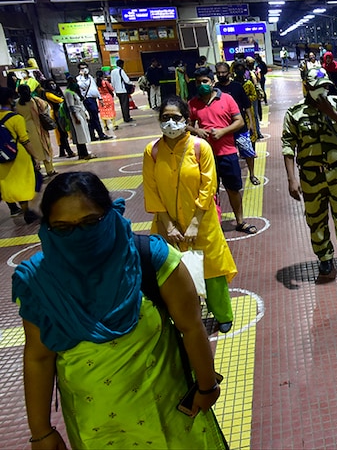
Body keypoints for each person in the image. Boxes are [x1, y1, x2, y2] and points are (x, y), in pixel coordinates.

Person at [12, 172, 227, 449]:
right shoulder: (39, 283)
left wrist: (207, 387)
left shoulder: (151, 260)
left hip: (169, 420)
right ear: (48, 229)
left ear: (109, 214)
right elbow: (39, 358)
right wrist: (40, 431)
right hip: (95, 431)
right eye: (64, 228)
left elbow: (191, 327)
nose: (80, 237)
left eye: (90, 223)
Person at [143, 97, 238, 333]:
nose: (171, 123)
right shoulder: (152, 151)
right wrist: (169, 225)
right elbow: (151, 189)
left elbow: (209, 186)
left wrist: (195, 223)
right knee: (174, 273)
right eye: (165, 118)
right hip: (168, 226)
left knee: (212, 271)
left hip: (203, 222)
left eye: (176, 118)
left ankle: (222, 314)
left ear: (186, 120)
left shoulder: (200, 147)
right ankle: (185, 315)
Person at [282, 67, 337, 293]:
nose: (322, 91)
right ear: (307, 88)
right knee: (316, 221)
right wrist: (291, 179)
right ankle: (325, 257)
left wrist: (330, 111)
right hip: (311, 177)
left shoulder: (336, 103)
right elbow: (288, 146)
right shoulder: (294, 113)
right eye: (317, 88)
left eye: (325, 87)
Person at [187, 67, 256, 234]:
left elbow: (239, 121)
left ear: (212, 82)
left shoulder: (227, 99)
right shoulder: (192, 103)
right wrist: (197, 131)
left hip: (228, 153)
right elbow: (186, 124)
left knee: (233, 188)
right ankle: (214, 223)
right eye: (198, 82)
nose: (202, 85)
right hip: (205, 156)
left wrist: (223, 131)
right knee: (210, 191)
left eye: (205, 81)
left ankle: (240, 221)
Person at [0, 86, 40, 224]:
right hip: (18, 155)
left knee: (9, 183)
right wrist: (35, 157)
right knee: (24, 182)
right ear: (10, 99)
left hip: (2, 156)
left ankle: (15, 208)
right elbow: (25, 140)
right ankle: (28, 212)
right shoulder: (16, 118)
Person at [215, 62, 259, 186]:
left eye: (224, 72)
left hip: (240, 127)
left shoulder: (237, 87)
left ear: (229, 73)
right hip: (223, 129)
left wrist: (250, 122)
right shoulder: (215, 88)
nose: (221, 75)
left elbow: (247, 106)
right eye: (218, 73)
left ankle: (252, 174)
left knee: (248, 152)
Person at [15, 84, 55, 177]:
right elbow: (46, 109)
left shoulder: (16, 103)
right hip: (38, 128)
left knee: (30, 151)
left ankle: (35, 172)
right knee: (45, 149)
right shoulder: (36, 101)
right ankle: (50, 170)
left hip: (24, 129)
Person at [63, 77, 96, 161]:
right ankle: (84, 153)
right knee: (79, 135)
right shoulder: (68, 93)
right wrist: (75, 118)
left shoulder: (74, 92)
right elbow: (71, 106)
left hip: (80, 113)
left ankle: (82, 153)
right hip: (75, 115)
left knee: (82, 134)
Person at [76, 63, 111, 141]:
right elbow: (83, 86)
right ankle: (97, 134)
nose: (84, 69)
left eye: (85, 67)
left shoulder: (90, 77)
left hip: (93, 99)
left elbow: (94, 88)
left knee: (94, 118)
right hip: (87, 100)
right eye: (82, 68)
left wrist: (100, 98)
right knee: (92, 118)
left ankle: (96, 135)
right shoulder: (79, 79)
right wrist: (82, 76)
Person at [41, 80, 75, 158]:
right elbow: (59, 100)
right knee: (62, 133)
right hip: (56, 115)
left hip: (59, 113)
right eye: (51, 84)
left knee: (61, 133)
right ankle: (69, 151)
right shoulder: (48, 93)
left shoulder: (54, 92)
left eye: (53, 83)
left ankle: (62, 151)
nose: (53, 85)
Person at [110, 59, 134, 124]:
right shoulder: (121, 71)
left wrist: (114, 89)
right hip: (123, 90)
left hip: (117, 91)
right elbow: (127, 80)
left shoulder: (112, 71)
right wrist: (132, 84)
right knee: (125, 104)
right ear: (121, 64)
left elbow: (112, 82)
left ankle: (125, 117)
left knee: (122, 104)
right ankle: (127, 118)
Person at [95, 70, 116, 135]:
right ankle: (114, 125)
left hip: (101, 99)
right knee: (111, 111)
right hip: (108, 97)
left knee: (103, 112)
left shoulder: (96, 83)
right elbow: (112, 89)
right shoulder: (105, 82)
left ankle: (105, 126)